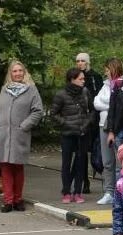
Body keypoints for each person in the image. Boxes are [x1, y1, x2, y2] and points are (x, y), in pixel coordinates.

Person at [0, 60, 43, 213]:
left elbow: (38, 111)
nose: (18, 73)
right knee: (6, 168)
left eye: (20, 70)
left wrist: (24, 126)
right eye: (14, 71)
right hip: (2, 135)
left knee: (18, 167)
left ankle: (18, 199)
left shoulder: (31, 90)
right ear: (11, 74)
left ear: (24, 72)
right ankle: (8, 201)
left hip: (19, 134)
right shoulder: (4, 89)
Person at [50, 68, 93, 203]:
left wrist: (87, 123)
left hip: (82, 132)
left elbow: (92, 110)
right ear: (72, 79)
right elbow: (53, 114)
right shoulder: (61, 95)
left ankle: (78, 192)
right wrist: (66, 123)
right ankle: (66, 191)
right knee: (66, 162)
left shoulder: (85, 92)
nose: (83, 81)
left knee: (81, 163)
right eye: (80, 79)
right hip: (68, 133)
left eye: (84, 79)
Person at [94, 57, 123, 205]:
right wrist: (110, 104)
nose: (105, 72)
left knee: (119, 161)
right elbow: (96, 102)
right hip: (103, 124)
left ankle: (119, 193)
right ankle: (108, 192)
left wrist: (109, 103)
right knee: (107, 161)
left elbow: (120, 104)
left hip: (118, 125)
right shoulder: (105, 85)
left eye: (107, 69)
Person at [76, 52, 104, 193]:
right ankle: (84, 182)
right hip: (80, 120)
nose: (80, 63)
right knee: (81, 154)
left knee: (96, 152)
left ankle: (104, 181)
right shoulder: (73, 77)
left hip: (95, 119)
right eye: (78, 61)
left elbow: (99, 96)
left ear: (87, 62)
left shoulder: (95, 77)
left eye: (82, 61)